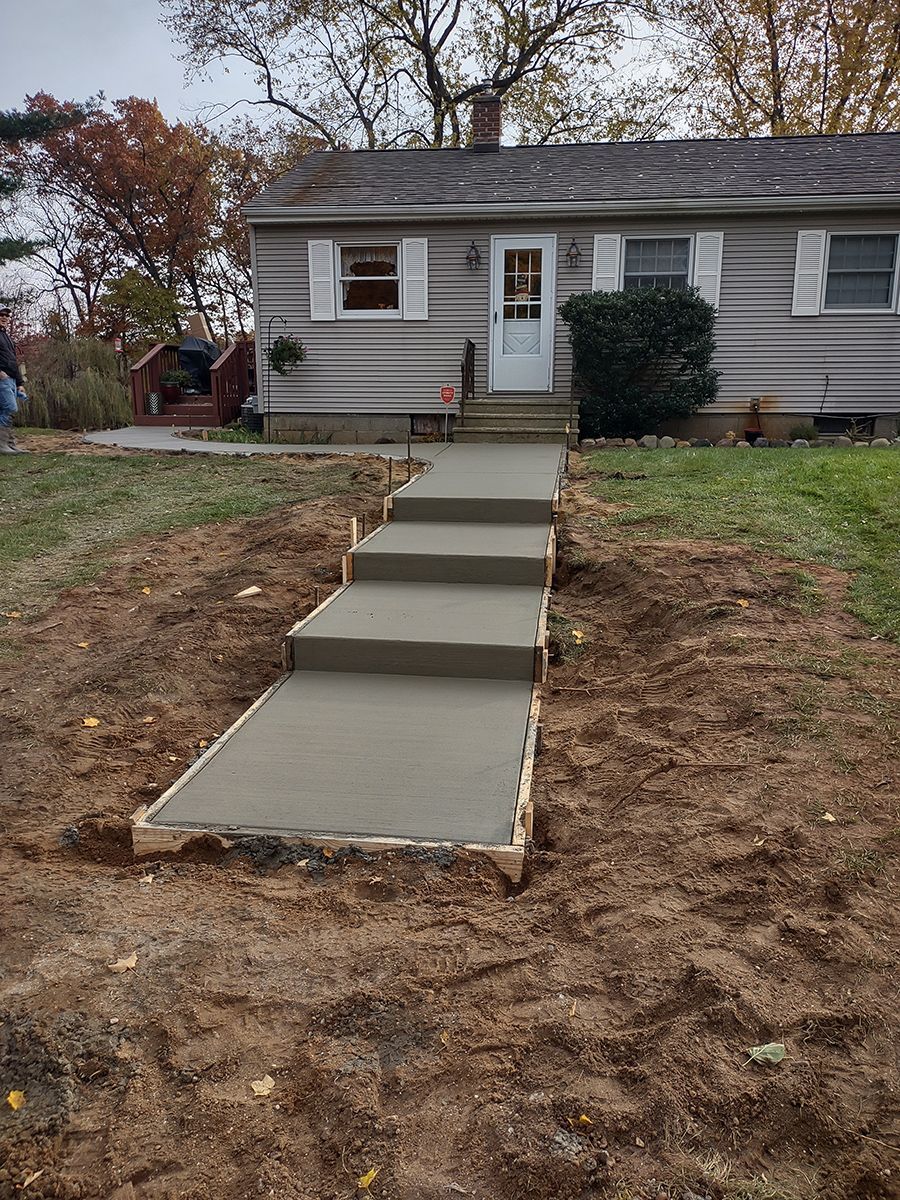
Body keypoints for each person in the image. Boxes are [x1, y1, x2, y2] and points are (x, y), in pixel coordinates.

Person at [0, 306, 28, 454]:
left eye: (7, 315)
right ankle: (2, 445)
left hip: (11, 379)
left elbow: (13, 360)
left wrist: (19, 383)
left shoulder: (7, 337)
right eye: (1, 315)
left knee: (4, 410)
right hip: (2, 379)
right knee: (10, 408)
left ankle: (10, 444)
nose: (4, 317)